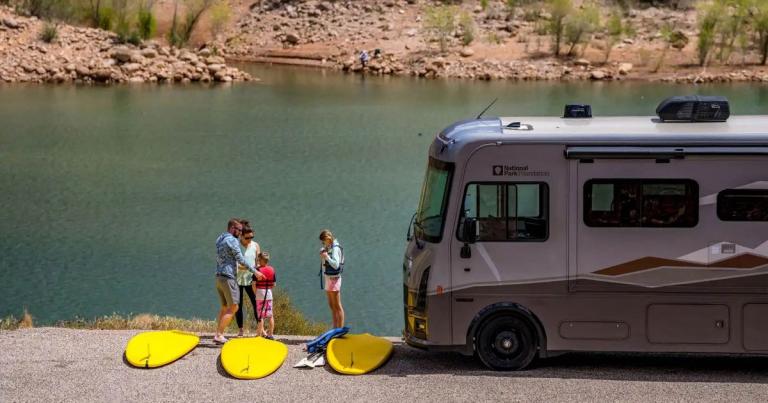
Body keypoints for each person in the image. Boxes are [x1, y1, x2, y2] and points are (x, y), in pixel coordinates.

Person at [214, 218, 262, 344]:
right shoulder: (233, 240)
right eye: (239, 230)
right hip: (228, 277)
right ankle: (219, 335)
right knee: (234, 307)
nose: (240, 233)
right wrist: (255, 271)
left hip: (219, 276)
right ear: (232, 228)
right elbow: (240, 259)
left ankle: (218, 333)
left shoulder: (220, 238)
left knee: (224, 307)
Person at [235, 224, 260, 337]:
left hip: (251, 280)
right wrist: (249, 266)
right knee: (238, 305)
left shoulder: (255, 245)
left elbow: (258, 262)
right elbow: (235, 264)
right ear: (241, 236)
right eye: (247, 238)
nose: (250, 240)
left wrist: (256, 269)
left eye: (251, 237)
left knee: (256, 303)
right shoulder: (236, 246)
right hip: (237, 280)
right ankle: (241, 330)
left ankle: (260, 329)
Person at [319, 229, 344, 328]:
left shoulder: (335, 248)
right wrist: (323, 255)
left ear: (328, 238)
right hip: (328, 278)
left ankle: (340, 330)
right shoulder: (329, 247)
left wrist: (326, 257)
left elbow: (336, 265)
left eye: (323, 241)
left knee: (337, 306)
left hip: (334, 279)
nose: (323, 243)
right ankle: (335, 329)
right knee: (332, 306)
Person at [253, 251, 276, 339]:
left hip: (260, 293)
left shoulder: (257, 270)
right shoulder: (272, 269)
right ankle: (270, 334)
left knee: (260, 315)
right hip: (269, 293)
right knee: (270, 315)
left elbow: (253, 284)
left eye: (258, 259)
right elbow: (274, 284)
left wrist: (256, 293)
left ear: (261, 260)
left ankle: (259, 334)